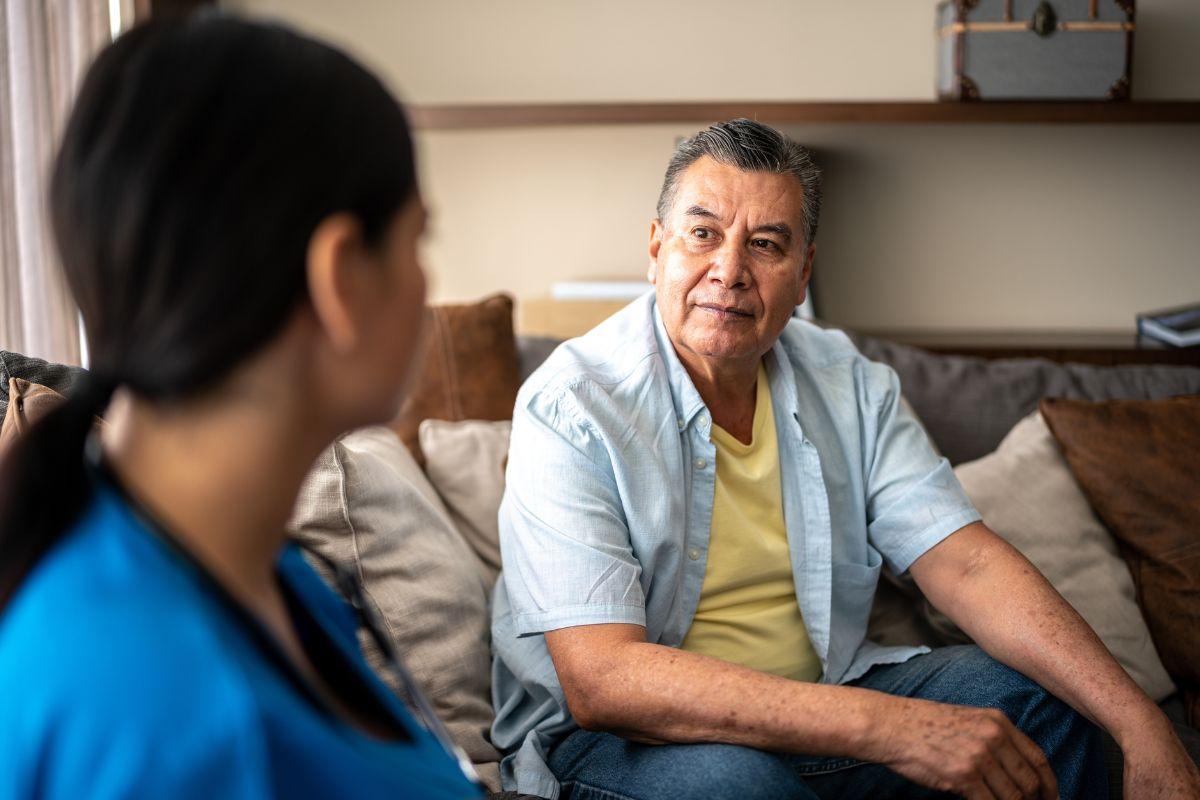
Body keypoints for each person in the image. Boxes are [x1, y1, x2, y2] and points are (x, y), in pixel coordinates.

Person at [490, 118, 1200, 799]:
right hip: (625, 744)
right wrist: (891, 730)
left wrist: (1144, 729)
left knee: (1032, 712)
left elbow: (967, 563)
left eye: (767, 244)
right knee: (741, 788)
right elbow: (604, 681)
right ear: (656, 249)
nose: (729, 270)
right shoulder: (571, 406)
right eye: (702, 234)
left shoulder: (850, 381)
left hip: (826, 700)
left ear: (803, 274)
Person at [0, 15, 481, 800]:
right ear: (341, 279)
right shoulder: (172, 723)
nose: (428, 283)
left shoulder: (268, 571)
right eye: (418, 241)